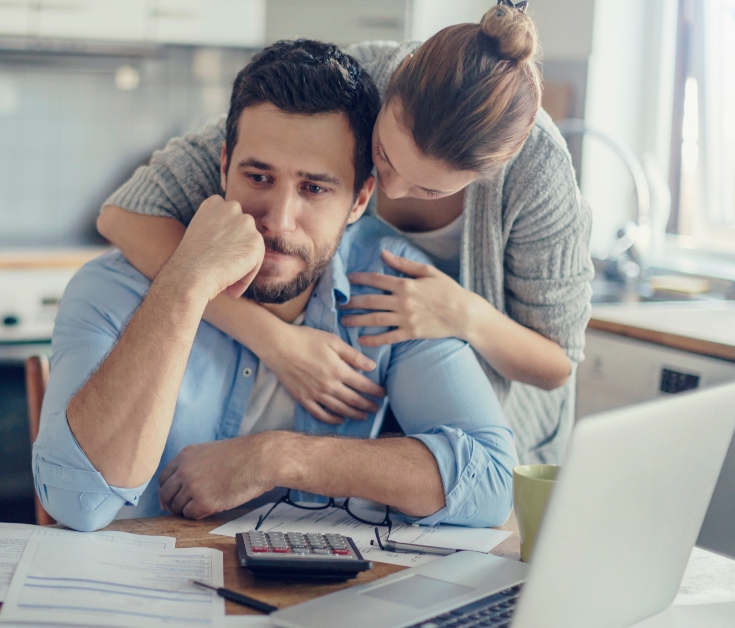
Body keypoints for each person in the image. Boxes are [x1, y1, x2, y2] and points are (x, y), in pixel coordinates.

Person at [32, 40, 515, 532]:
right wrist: (185, 284)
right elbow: (77, 503)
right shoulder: (112, 290)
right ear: (223, 168)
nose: (279, 222)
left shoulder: (392, 287)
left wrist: (278, 457)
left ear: (359, 199)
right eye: (259, 177)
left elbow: (493, 481)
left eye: (314, 188)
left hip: (313, 604)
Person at [97, 1, 594, 464]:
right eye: (382, 152)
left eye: (425, 187)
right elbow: (125, 215)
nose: (390, 190)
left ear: (493, 170)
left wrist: (464, 315)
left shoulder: (538, 173)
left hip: (487, 444)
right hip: (355, 446)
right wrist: (272, 339)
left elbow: (555, 366)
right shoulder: (353, 87)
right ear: (394, 86)